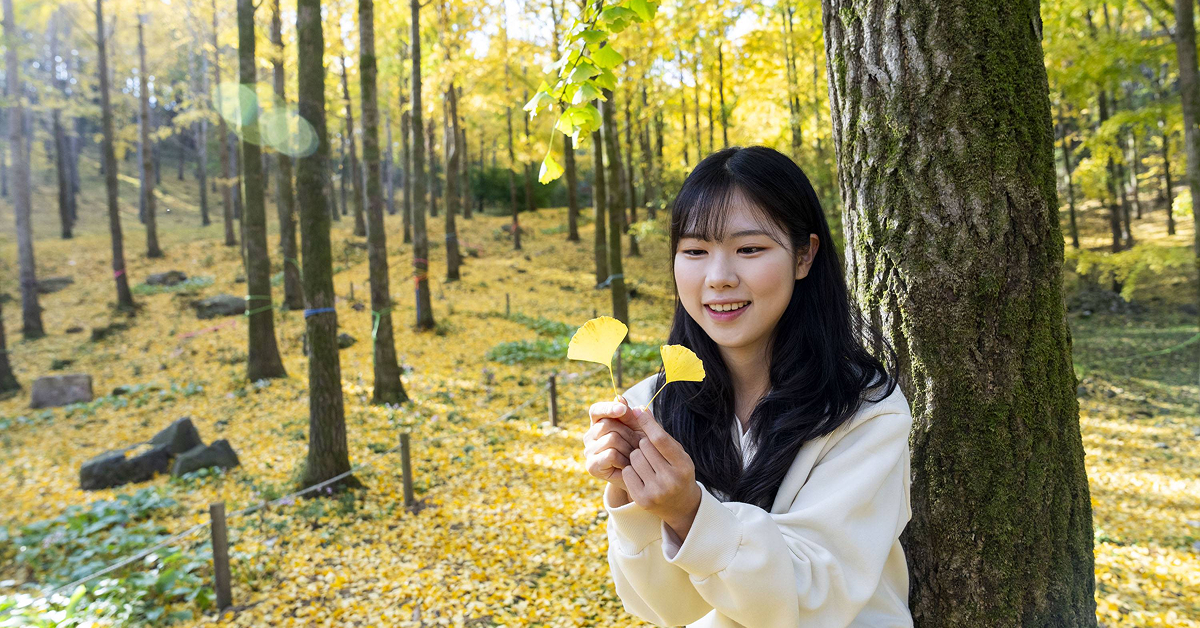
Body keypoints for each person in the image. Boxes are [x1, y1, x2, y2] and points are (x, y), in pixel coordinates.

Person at [582, 146, 914, 628]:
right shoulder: (649, 409)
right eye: (695, 251)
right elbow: (666, 610)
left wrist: (690, 513)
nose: (719, 278)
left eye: (749, 249)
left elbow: (814, 601)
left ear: (804, 256)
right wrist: (630, 497)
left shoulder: (865, 411)